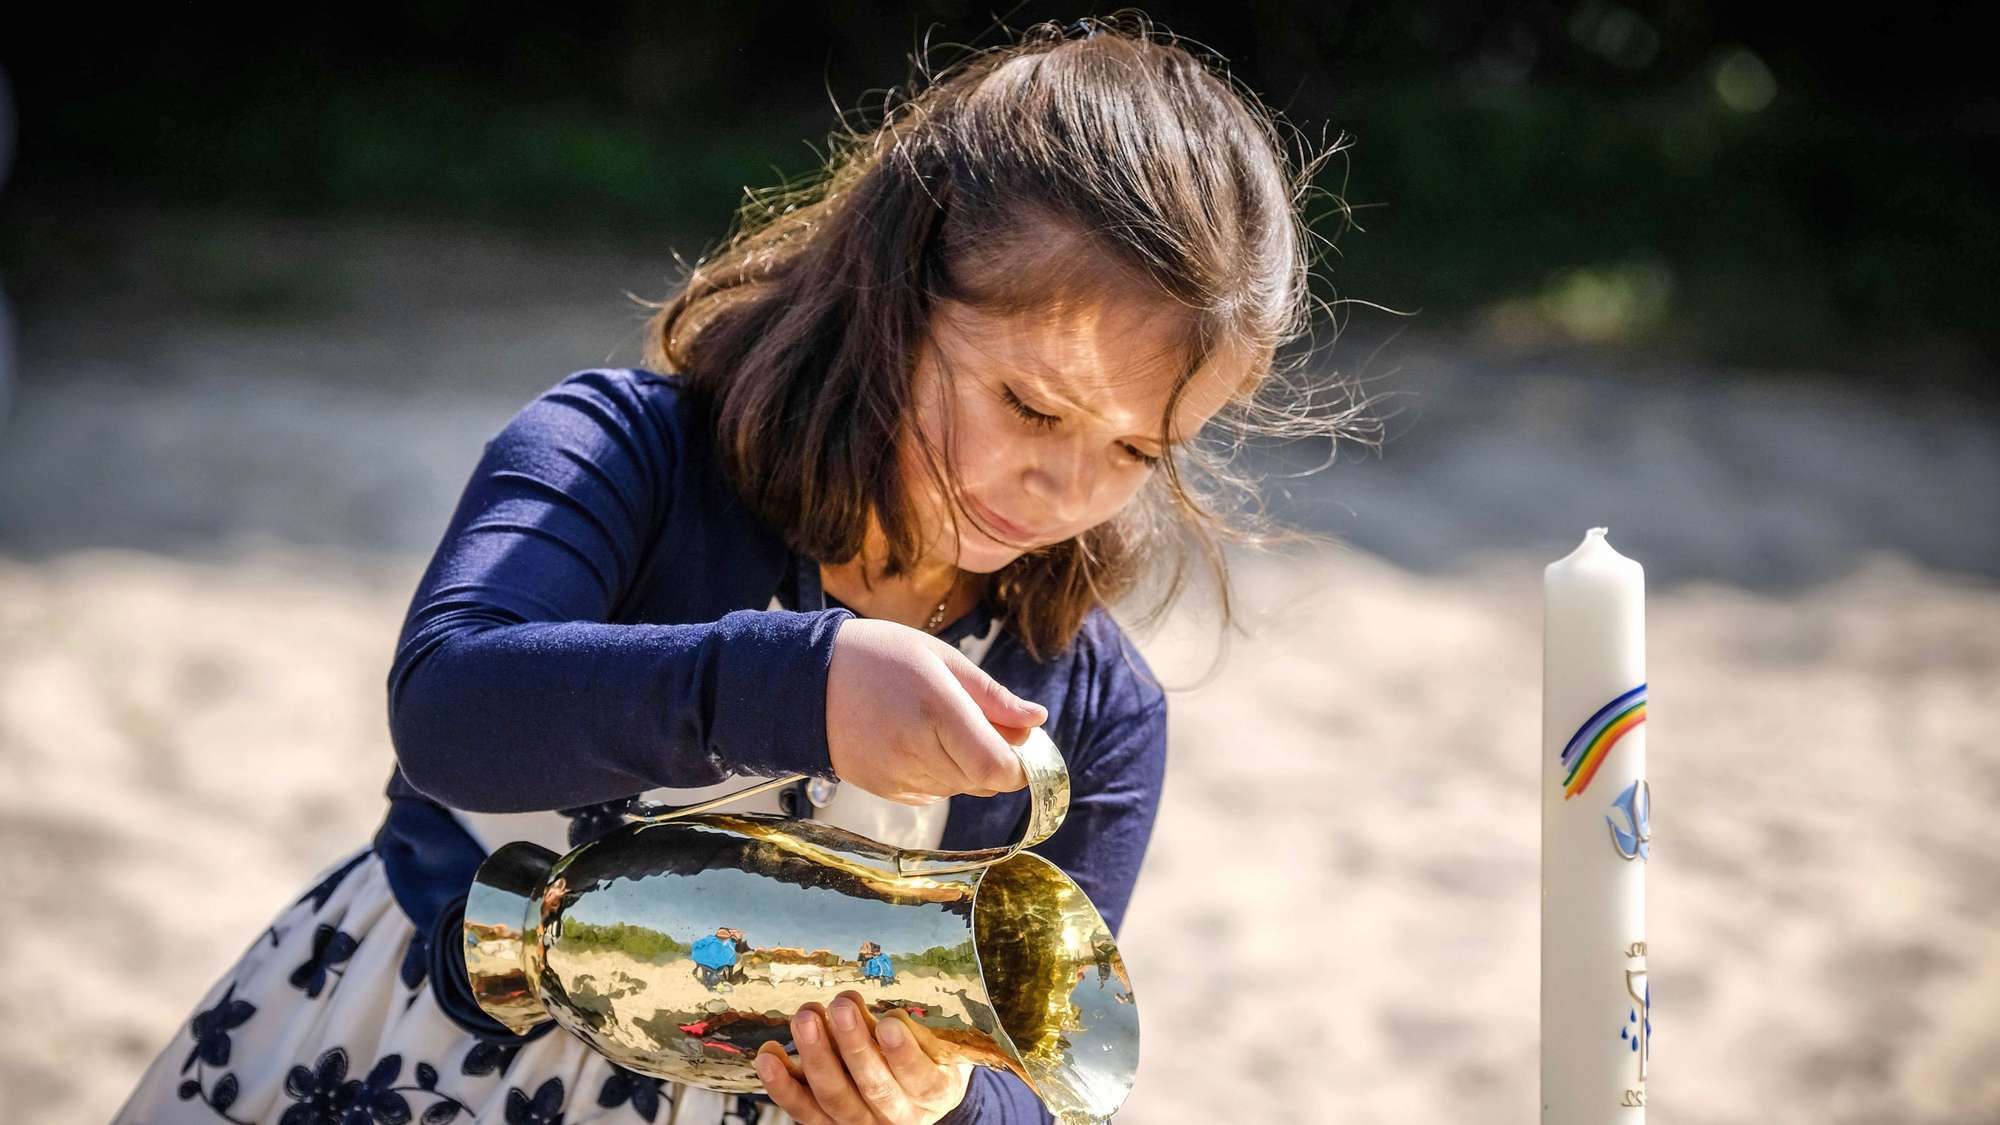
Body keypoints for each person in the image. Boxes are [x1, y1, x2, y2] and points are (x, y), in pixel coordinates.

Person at [109, 14, 1372, 1125]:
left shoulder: (1088, 709)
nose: (1068, 489)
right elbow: (448, 709)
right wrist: (792, 684)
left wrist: (933, 1104)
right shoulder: (623, 454)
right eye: (1031, 407)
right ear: (892, 290)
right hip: (413, 1064)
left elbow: (1042, 1073)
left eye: (1138, 449)